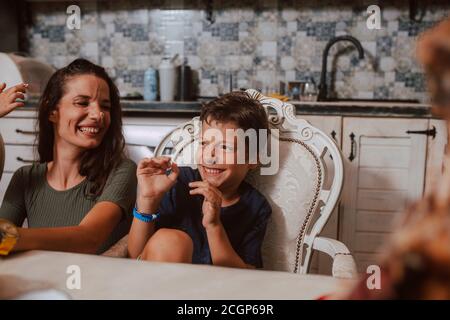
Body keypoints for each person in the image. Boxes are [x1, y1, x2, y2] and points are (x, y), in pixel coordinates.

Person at [0, 58, 136, 254]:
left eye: (105, 106)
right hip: (44, 283)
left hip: (100, 284)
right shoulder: (25, 178)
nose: (98, 114)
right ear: (52, 111)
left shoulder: (121, 172)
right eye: (82, 103)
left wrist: (10, 237)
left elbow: (88, 239)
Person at [128, 91, 272, 269]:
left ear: (253, 160)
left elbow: (247, 276)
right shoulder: (178, 183)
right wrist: (148, 201)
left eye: (225, 147)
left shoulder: (256, 207)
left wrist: (213, 225)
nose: (209, 155)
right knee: (171, 241)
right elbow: (136, 255)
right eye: (204, 143)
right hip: (160, 286)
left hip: (215, 291)